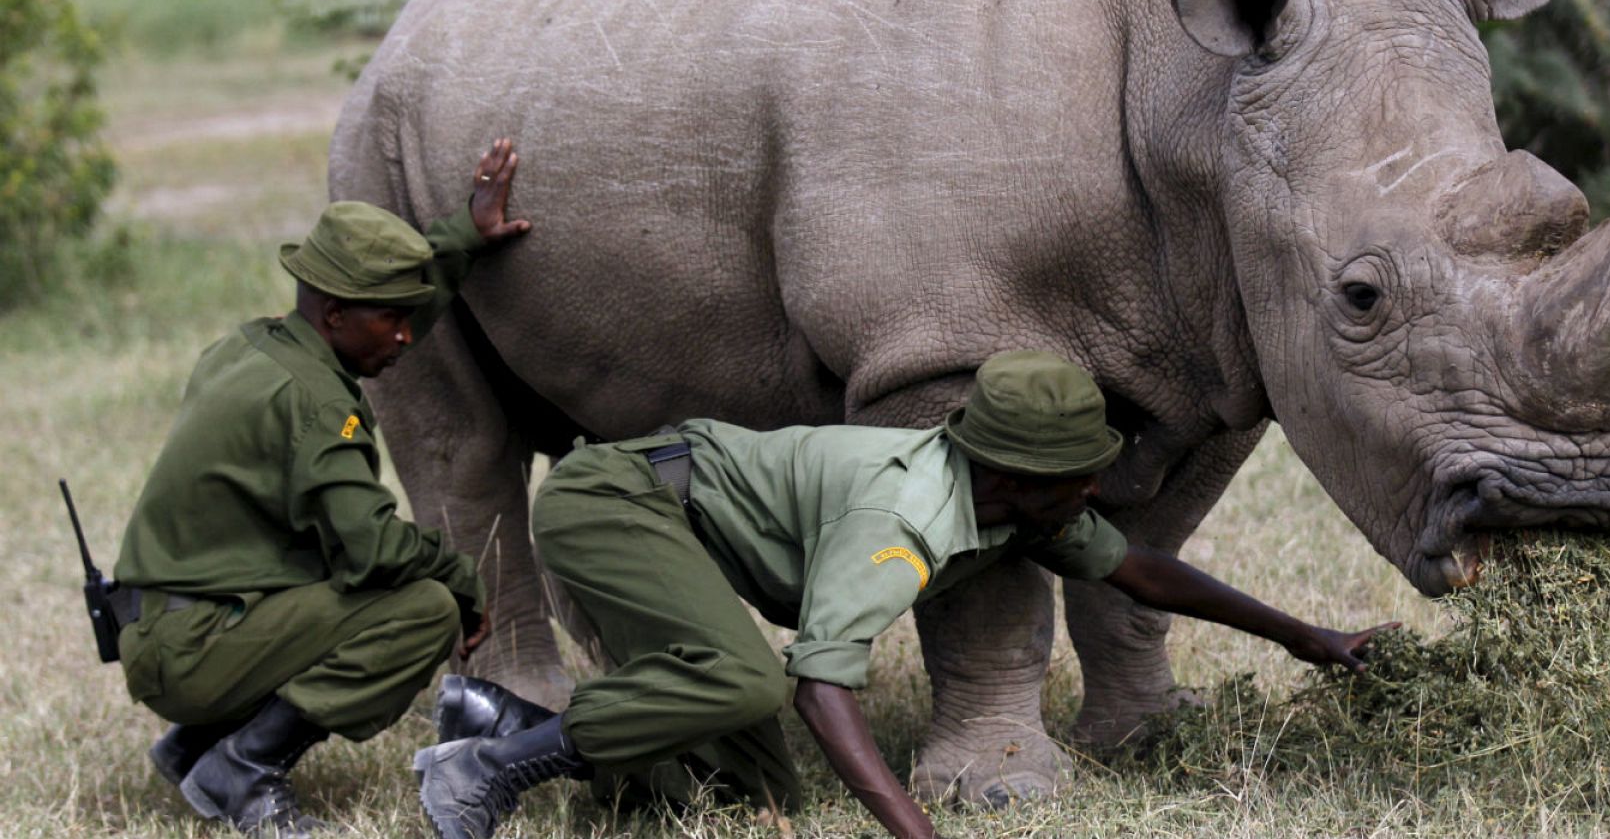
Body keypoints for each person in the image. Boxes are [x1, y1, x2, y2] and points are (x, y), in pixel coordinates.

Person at [416, 350, 1395, 839]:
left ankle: (490, 717)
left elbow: (1140, 568)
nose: (1092, 491)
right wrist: (916, 833)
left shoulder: (1022, 508)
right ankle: (488, 770)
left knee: (748, 794)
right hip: (623, 499)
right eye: (1075, 477)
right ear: (1010, 475)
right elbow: (821, 689)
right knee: (745, 686)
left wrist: (1308, 635)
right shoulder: (911, 521)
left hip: (686, 511)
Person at [113, 139, 533, 837]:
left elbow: (380, 317)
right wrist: (460, 577)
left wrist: (463, 236)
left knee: (331, 575)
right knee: (423, 608)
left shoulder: (255, 346)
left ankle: (191, 746)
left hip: (167, 626)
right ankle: (244, 765)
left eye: (408, 317)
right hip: (194, 651)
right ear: (335, 314)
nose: (404, 338)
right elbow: (372, 549)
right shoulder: (316, 406)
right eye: (390, 321)